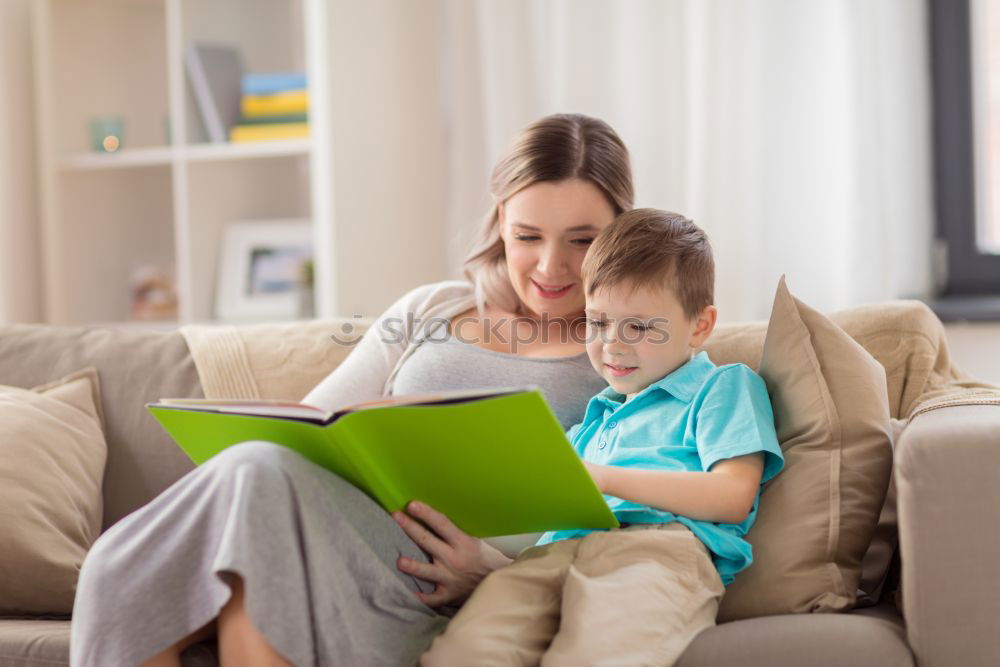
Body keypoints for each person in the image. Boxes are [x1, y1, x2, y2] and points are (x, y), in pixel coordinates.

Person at [70, 113, 634, 667]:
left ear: (621, 234)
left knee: (231, 500)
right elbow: (306, 424)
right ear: (501, 224)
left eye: (581, 241)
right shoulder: (430, 308)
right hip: (333, 536)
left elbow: (636, 521)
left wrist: (494, 574)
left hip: (445, 585)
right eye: (527, 237)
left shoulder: (630, 351)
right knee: (256, 471)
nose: (550, 265)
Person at [420, 209, 786, 666]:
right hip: (555, 554)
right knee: (463, 652)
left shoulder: (721, 386)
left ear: (700, 325)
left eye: (637, 326)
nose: (612, 343)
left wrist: (603, 478)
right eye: (598, 322)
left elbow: (732, 495)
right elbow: (541, 520)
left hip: (656, 552)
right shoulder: (593, 421)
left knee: (599, 654)